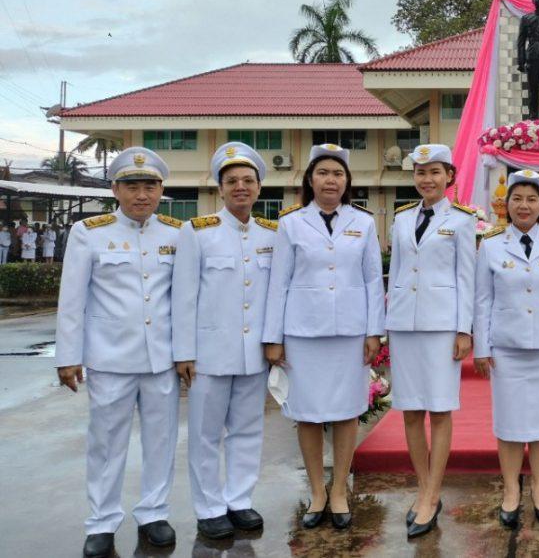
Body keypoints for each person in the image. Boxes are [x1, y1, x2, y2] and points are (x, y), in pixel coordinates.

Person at [54, 146, 183, 558]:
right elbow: (72, 298)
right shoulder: (89, 232)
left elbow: (184, 300)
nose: (141, 194)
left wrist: (187, 354)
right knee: (106, 443)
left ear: (161, 189)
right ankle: (102, 521)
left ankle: (154, 512)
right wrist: (67, 356)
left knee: (161, 440)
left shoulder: (177, 233)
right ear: (115, 189)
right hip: (109, 358)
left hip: (161, 357)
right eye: (132, 186)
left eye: (149, 185)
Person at [262, 144, 385, 531]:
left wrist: (374, 331)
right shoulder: (291, 223)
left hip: (350, 333)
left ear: (347, 182)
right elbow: (279, 282)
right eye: (323, 173)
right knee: (308, 413)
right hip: (303, 333)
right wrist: (274, 337)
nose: (331, 180)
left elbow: (371, 279)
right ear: (310, 181)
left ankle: (339, 490)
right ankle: (317, 490)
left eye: (338, 174)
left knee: (348, 411)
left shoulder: (363, 222)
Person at [172, 142, 276, 539]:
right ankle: (209, 507)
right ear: (220, 187)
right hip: (209, 353)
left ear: (259, 188)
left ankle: (239, 500)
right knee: (205, 433)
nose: (240, 187)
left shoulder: (272, 233)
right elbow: (183, 297)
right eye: (232, 181)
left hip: (253, 354)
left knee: (248, 429)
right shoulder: (197, 232)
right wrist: (184, 352)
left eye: (248, 180)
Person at [473, 169, 539, 529]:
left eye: (532, 198)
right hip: (507, 347)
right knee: (509, 422)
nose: (524, 205)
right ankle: (510, 491)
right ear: (506, 203)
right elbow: (482, 300)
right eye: (517, 198)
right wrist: (481, 347)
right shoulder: (489, 245)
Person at [385, 143, 476, 539]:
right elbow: (399, 269)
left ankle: (433, 491)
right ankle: (423, 487)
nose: (427, 179)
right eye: (421, 172)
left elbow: (466, 278)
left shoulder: (461, 221)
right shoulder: (402, 220)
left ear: (449, 177)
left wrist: (464, 329)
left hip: (441, 325)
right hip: (404, 323)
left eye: (435, 172)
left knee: (439, 411)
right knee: (408, 410)